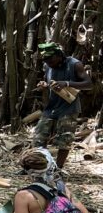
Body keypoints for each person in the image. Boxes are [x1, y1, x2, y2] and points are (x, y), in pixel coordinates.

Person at [33, 41, 91, 169]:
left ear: (59, 55)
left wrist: (67, 83)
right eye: (46, 61)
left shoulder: (75, 64)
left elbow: (88, 84)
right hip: (51, 107)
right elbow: (52, 84)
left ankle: (57, 169)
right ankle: (36, 167)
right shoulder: (48, 66)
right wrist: (44, 85)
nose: (49, 63)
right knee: (39, 137)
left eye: (51, 60)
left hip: (69, 108)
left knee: (64, 140)